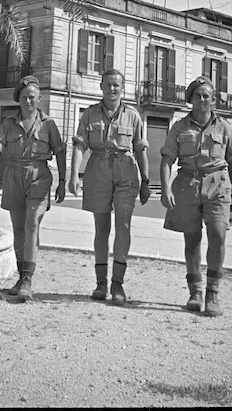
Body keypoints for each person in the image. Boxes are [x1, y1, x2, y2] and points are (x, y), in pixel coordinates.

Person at [159, 75, 232, 317]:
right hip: (188, 184)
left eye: (207, 96)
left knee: (217, 236)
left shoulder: (224, 127)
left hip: (218, 184)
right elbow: (166, 160)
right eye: (198, 96)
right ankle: (195, 292)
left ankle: (213, 293)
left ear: (212, 99)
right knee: (192, 240)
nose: (203, 99)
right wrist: (165, 188)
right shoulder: (179, 127)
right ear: (191, 100)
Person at [68, 69, 150, 305]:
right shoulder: (90, 114)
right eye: (108, 85)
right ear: (101, 87)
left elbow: (140, 148)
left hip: (126, 172)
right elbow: (80, 145)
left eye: (117, 85)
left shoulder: (133, 116)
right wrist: (75, 174)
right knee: (101, 229)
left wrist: (145, 180)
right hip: (98, 171)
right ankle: (101, 283)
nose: (112, 89)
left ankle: (118, 283)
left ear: (122, 88)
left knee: (123, 226)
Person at [0, 75, 66, 301]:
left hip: (39, 176)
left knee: (32, 223)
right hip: (13, 176)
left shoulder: (49, 124)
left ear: (39, 99)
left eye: (32, 97)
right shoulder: (8, 123)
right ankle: (22, 278)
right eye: (24, 98)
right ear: (18, 99)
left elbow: (60, 151)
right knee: (19, 229)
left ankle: (28, 280)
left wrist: (62, 181)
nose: (28, 102)